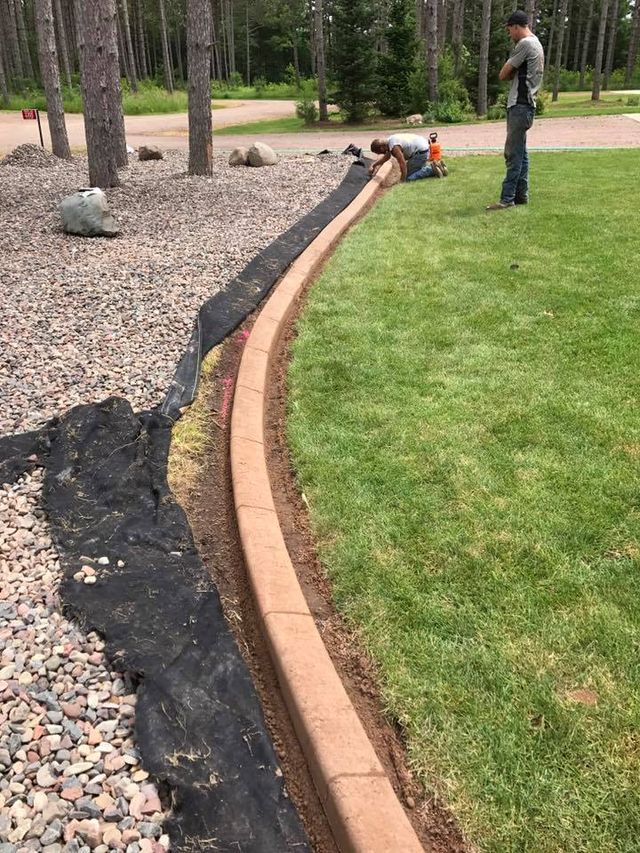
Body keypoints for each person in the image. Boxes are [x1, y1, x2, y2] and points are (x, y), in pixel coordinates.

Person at [486, 10, 544, 210]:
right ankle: (521, 196)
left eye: (510, 30)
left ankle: (507, 199)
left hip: (519, 105)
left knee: (512, 154)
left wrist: (512, 71)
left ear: (517, 26)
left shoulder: (525, 44)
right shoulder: (536, 42)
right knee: (522, 153)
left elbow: (503, 74)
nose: (510, 34)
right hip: (527, 106)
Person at [369, 134, 447, 181]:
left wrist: (402, 180)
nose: (379, 154)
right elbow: (387, 157)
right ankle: (438, 166)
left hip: (420, 153)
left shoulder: (395, 147)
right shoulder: (389, 141)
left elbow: (402, 163)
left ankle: (431, 169)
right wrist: (374, 165)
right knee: (414, 171)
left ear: (381, 148)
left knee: (409, 178)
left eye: (378, 152)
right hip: (423, 148)